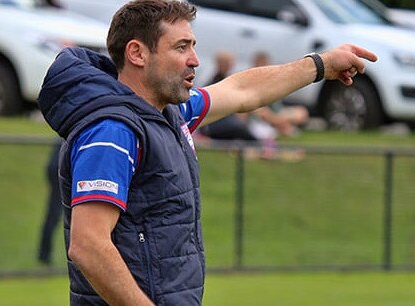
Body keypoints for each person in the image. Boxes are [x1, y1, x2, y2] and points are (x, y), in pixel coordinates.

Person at [37, 0, 377, 304]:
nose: (195, 60)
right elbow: (88, 245)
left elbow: (241, 91)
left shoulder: (168, 113)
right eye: (181, 47)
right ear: (137, 53)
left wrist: (320, 64)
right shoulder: (112, 132)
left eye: (193, 46)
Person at [248, 51, 310, 138]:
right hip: (260, 116)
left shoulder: (271, 81)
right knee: (265, 114)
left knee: (302, 112)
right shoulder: (250, 82)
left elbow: (278, 107)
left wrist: (280, 116)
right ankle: (282, 127)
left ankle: (281, 126)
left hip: (276, 113)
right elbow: (257, 109)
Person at [197, 50, 257, 141]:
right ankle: (260, 145)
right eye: (227, 63)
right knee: (239, 128)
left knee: (240, 127)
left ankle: (259, 144)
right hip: (213, 125)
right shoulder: (216, 83)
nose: (230, 65)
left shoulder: (221, 80)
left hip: (220, 122)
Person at [37, 140, 63, 265]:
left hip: (57, 168)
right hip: (60, 170)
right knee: (54, 215)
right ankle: (44, 255)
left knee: (53, 215)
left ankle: (44, 254)